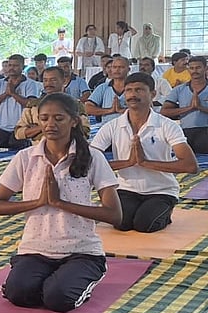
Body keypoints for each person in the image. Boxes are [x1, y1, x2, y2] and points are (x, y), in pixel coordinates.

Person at [0, 93, 122, 313]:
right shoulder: (26, 157)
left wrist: (60, 203)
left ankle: (82, 276)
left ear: (74, 121)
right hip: (35, 249)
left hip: (81, 251)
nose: (50, 124)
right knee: (18, 294)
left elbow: (115, 215)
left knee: (58, 299)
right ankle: (47, 279)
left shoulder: (92, 157)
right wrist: (38, 202)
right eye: (44, 118)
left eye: (58, 118)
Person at [91, 73, 197, 233]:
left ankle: (165, 214)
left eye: (139, 90)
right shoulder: (112, 126)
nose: (133, 95)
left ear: (153, 94)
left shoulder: (167, 125)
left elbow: (190, 165)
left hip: (161, 190)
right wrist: (128, 162)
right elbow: (90, 161)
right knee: (121, 223)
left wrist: (145, 163)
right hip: (126, 189)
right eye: (128, 90)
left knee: (144, 225)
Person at [17, 67, 90, 143]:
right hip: (38, 150)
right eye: (45, 80)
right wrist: (43, 128)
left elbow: (85, 131)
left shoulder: (75, 105)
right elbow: (19, 133)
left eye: (53, 80)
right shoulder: (33, 105)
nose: (48, 84)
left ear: (63, 81)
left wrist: (38, 129)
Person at [0, 54, 40, 150]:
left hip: (22, 126)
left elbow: (31, 104)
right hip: (3, 127)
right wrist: (6, 94)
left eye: (15, 66)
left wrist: (13, 93)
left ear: (22, 67)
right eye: (9, 65)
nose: (11, 68)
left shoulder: (31, 84)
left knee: (15, 144)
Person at [161, 55, 208, 153]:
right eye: (191, 68)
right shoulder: (179, 89)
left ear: (205, 68)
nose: (194, 71)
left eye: (198, 67)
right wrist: (189, 108)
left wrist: (201, 108)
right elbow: (164, 111)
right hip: (185, 132)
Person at [85, 56, 130, 124]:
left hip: (129, 127)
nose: (117, 70)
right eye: (114, 67)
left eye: (121, 67)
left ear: (128, 69)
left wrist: (123, 110)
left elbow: (145, 109)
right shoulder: (103, 87)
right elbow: (87, 108)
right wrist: (110, 110)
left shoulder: (134, 88)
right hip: (107, 127)